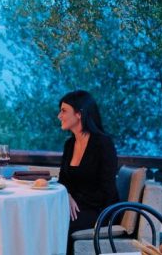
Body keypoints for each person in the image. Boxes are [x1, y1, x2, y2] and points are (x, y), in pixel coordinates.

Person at [57, 90, 119, 255]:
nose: (59, 116)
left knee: (57, 222)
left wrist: (76, 203)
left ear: (79, 114)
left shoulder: (103, 144)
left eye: (64, 111)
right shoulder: (69, 144)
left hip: (101, 211)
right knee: (44, 216)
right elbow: (63, 181)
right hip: (76, 208)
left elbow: (107, 189)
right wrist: (67, 195)